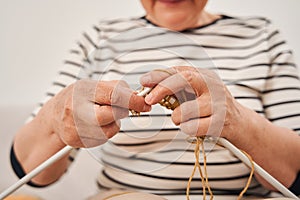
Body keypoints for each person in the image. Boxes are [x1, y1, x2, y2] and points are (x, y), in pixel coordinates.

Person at [10, 0, 300, 199]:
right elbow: (33, 171)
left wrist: (239, 122)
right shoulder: (101, 38)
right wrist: (55, 118)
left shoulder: (261, 36)